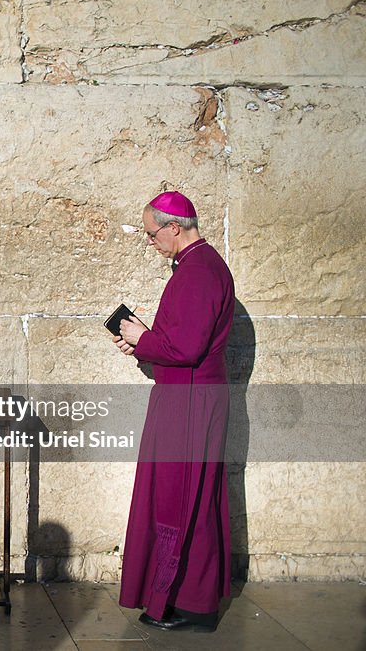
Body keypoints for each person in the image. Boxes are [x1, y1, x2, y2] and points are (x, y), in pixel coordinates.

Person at [112, 190, 234, 632]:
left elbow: (185, 347)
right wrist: (144, 342)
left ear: (173, 228)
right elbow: (180, 341)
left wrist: (143, 338)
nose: (150, 242)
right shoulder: (198, 267)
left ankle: (174, 603)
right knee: (193, 499)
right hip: (188, 398)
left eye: (151, 233)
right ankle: (193, 602)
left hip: (188, 404)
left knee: (177, 499)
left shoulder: (199, 271)